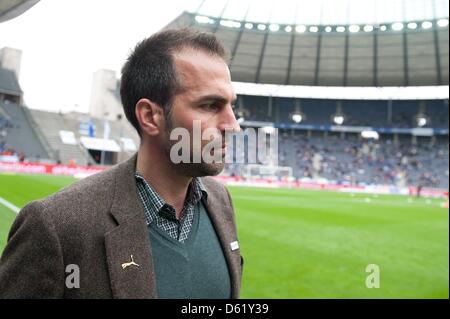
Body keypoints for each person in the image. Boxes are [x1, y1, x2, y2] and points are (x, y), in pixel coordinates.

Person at [0, 29, 243, 299]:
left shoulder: (220, 201)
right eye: (210, 105)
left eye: (231, 105)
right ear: (150, 116)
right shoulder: (56, 226)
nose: (233, 125)